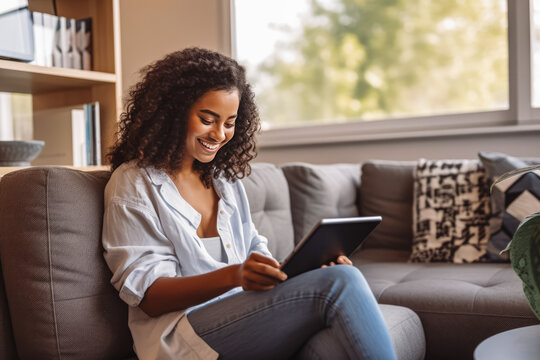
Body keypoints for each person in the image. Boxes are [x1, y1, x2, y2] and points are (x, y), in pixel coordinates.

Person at [102, 47, 397, 360]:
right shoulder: (134, 182)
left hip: (244, 317)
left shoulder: (223, 182)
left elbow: (256, 250)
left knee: (327, 343)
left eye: (230, 123)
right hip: (180, 334)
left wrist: (305, 272)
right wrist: (235, 275)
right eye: (207, 119)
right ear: (172, 112)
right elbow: (149, 295)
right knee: (344, 281)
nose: (219, 134)